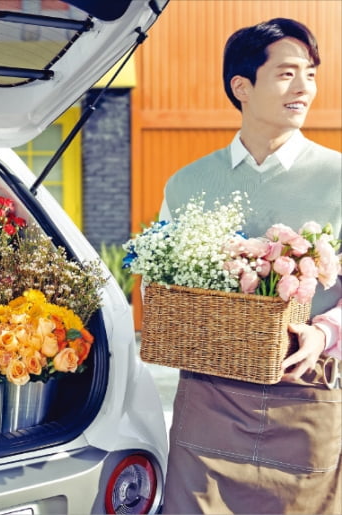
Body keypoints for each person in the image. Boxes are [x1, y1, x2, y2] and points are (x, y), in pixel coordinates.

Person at [159, 18, 342, 514]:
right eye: (286, 73)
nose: (305, 88)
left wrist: (325, 331)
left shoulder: (338, 178)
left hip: (303, 398)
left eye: (311, 73)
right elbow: (165, 283)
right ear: (242, 86)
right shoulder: (186, 183)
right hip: (208, 400)